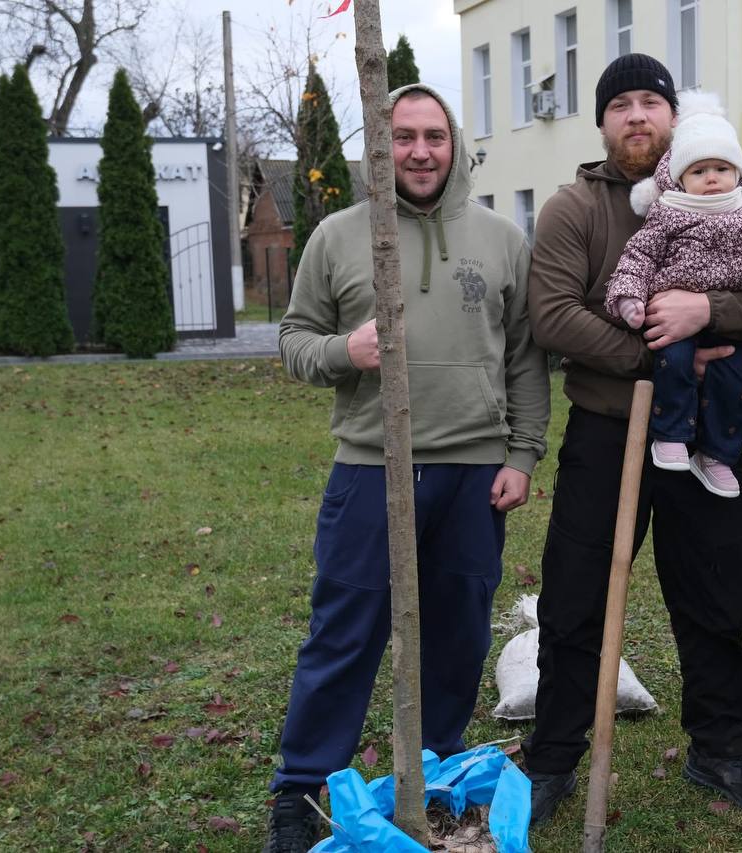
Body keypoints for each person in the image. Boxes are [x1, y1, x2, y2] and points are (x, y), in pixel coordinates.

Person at [264, 83, 551, 853]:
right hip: (370, 467)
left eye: (434, 136)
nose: (419, 151)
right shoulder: (335, 235)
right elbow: (293, 338)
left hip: (473, 472)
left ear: (453, 143)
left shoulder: (499, 239)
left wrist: (521, 454)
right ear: (379, 148)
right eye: (403, 137)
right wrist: (341, 352)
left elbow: (525, 357)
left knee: (457, 631)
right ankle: (300, 789)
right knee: (345, 630)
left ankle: (434, 765)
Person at [521, 53, 742, 825]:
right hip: (608, 435)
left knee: (715, 595)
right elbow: (553, 316)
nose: (638, 116)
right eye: (622, 104)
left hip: (706, 437)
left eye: (652, 101)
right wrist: (652, 347)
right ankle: (551, 760)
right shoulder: (574, 209)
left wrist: (704, 313)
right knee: (576, 599)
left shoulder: (727, 194)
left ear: (676, 116)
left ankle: (720, 748)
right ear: (603, 120)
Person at [604, 91, 742, 498]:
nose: (712, 178)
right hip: (673, 322)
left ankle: (717, 454)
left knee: (733, 384)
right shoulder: (669, 213)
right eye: (699, 171)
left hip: (729, 323)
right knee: (674, 366)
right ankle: (671, 436)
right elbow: (639, 255)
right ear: (679, 179)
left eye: (720, 168)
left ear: (738, 172)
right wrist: (629, 296)